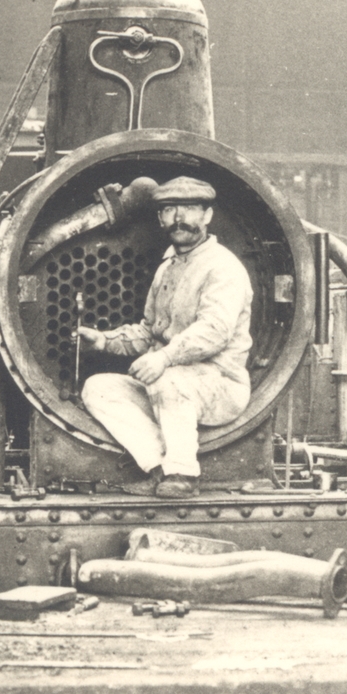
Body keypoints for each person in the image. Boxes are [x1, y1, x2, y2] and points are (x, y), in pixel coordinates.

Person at [77, 176, 253, 499]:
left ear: (207, 215)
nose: (179, 218)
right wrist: (103, 340)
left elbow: (214, 331)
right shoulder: (167, 268)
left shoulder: (222, 267)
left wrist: (164, 358)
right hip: (172, 385)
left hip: (221, 386)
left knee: (167, 378)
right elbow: (149, 331)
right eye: (170, 210)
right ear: (160, 218)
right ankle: (159, 468)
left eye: (189, 209)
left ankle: (184, 474)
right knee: (98, 388)